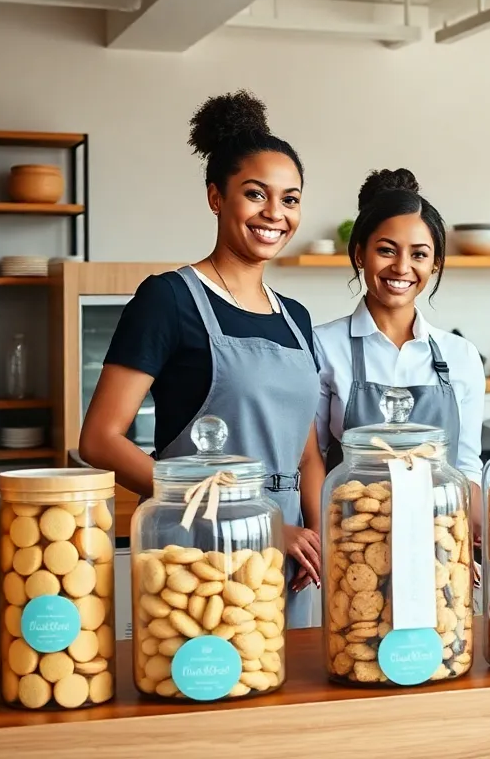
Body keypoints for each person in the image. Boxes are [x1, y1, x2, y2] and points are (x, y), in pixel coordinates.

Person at [79, 90, 323, 630]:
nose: (275, 214)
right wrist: (251, 519)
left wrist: (322, 531)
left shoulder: (296, 318)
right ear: (216, 197)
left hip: (289, 553)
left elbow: (305, 456)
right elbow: (98, 440)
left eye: (290, 199)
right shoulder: (168, 299)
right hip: (200, 545)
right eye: (255, 194)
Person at [303, 168, 485, 532]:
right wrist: (329, 544)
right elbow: (310, 461)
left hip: (441, 539)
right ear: (359, 254)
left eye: (419, 254)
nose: (402, 267)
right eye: (386, 250)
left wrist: (473, 541)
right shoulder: (320, 346)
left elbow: (466, 467)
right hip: (351, 535)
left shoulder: (460, 356)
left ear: (434, 264)